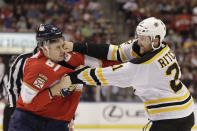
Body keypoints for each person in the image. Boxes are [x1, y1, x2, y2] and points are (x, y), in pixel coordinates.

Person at [63, 17, 195, 131]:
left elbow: (104, 76)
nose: (138, 42)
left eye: (143, 39)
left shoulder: (145, 65)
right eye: (139, 37)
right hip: (183, 109)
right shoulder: (160, 47)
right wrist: (75, 46)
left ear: (155, 40)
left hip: (171, 119)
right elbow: (114, 51)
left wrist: (74, 77)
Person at [8, 24, 120, 131]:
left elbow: (108, 63)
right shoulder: (33, 64)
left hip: (58, 122)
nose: (63, 50)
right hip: (28, 120)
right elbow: (25, 99)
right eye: (58, 47)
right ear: (45, 48)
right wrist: (59, 86)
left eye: (63, 45)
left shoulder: (71, 57)